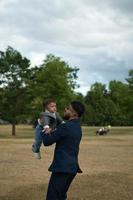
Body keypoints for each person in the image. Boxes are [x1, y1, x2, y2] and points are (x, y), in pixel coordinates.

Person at [42, 101, 85, 200]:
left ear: (74, 113)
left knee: (53, 197)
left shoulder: (65, 126)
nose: (65, 109)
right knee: (60, 197)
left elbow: (47, 141)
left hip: (62, 168)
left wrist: (44, 125)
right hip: (71, 168)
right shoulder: (77, 126)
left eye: (68, 108)